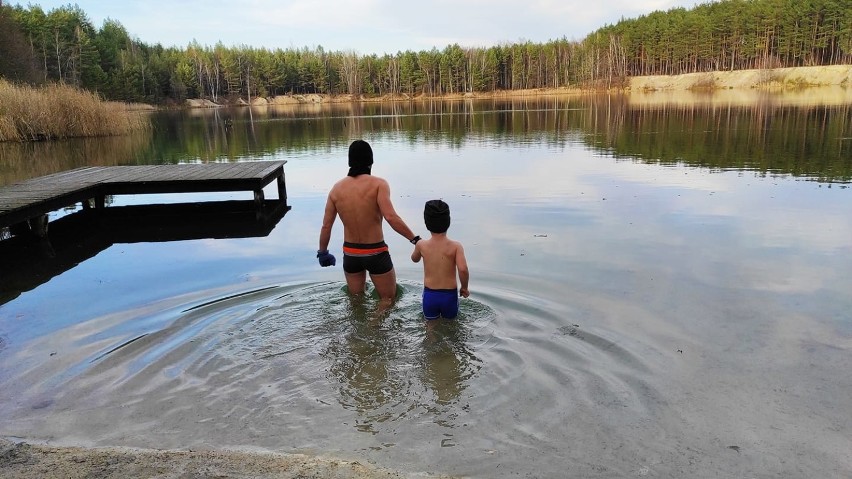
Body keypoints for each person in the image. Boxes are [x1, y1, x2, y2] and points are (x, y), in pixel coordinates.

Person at [317, 140, 421, 306]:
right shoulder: (379, 184)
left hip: (350, 254)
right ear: (370, 161)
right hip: (375, 253)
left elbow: (326, 226)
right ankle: (373, 327)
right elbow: (391, 217)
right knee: (388, 300)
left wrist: (322, 252)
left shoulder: (336, 189)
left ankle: (355, 331)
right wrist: (415, 239)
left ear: (350, 161)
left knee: (356, 301)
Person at [410, 199, 470, 320]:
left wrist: (417, 245)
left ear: (426, 223)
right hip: (449, 296)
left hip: (430, 295)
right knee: (451, 326)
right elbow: (463, 269)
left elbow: (414, 259)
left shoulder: (421, 245)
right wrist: (464, 287)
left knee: (430, 329)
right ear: (448, 222)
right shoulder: (456, 246)